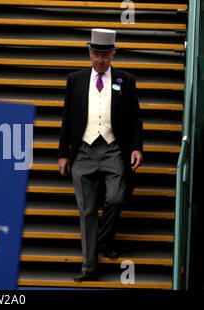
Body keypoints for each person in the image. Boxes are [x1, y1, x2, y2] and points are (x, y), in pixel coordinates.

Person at [58, 28, 143, 282]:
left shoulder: (125, 80)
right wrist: (64, 153)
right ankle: (90, 267)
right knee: (87, 210)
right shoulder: (76, 79)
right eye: (96, 54)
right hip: (83, 150)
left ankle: (102, 242)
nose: (99, 59)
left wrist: (137, 147)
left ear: (112, 55)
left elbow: (136, 119)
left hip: (113, 148)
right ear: (89, 53)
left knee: (116, 198)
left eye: (105, 55)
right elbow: (66, 119)